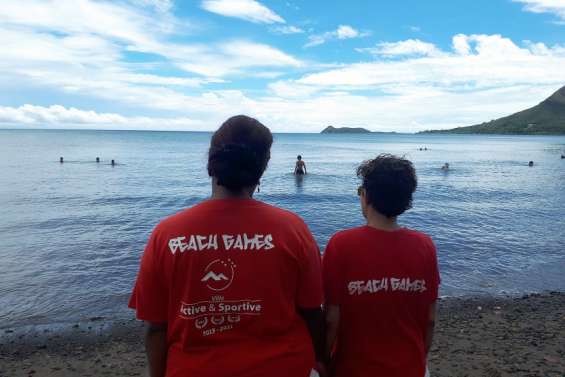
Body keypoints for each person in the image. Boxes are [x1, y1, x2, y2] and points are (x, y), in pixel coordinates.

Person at [129, 115, 325, 377]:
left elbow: (156, 328)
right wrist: (323, 361)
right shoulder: (292, 229)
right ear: (262, 169)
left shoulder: (167, 234)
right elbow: (312, 312)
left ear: (212, 164)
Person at [323, 154, 440, 377]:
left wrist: (323, 361)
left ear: (366, 196)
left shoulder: (341, 245)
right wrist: (419, 358)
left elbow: (331, 319)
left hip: (354, 368)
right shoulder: (425, 246)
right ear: (406, 200)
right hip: (410, 367)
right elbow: (430, 319)